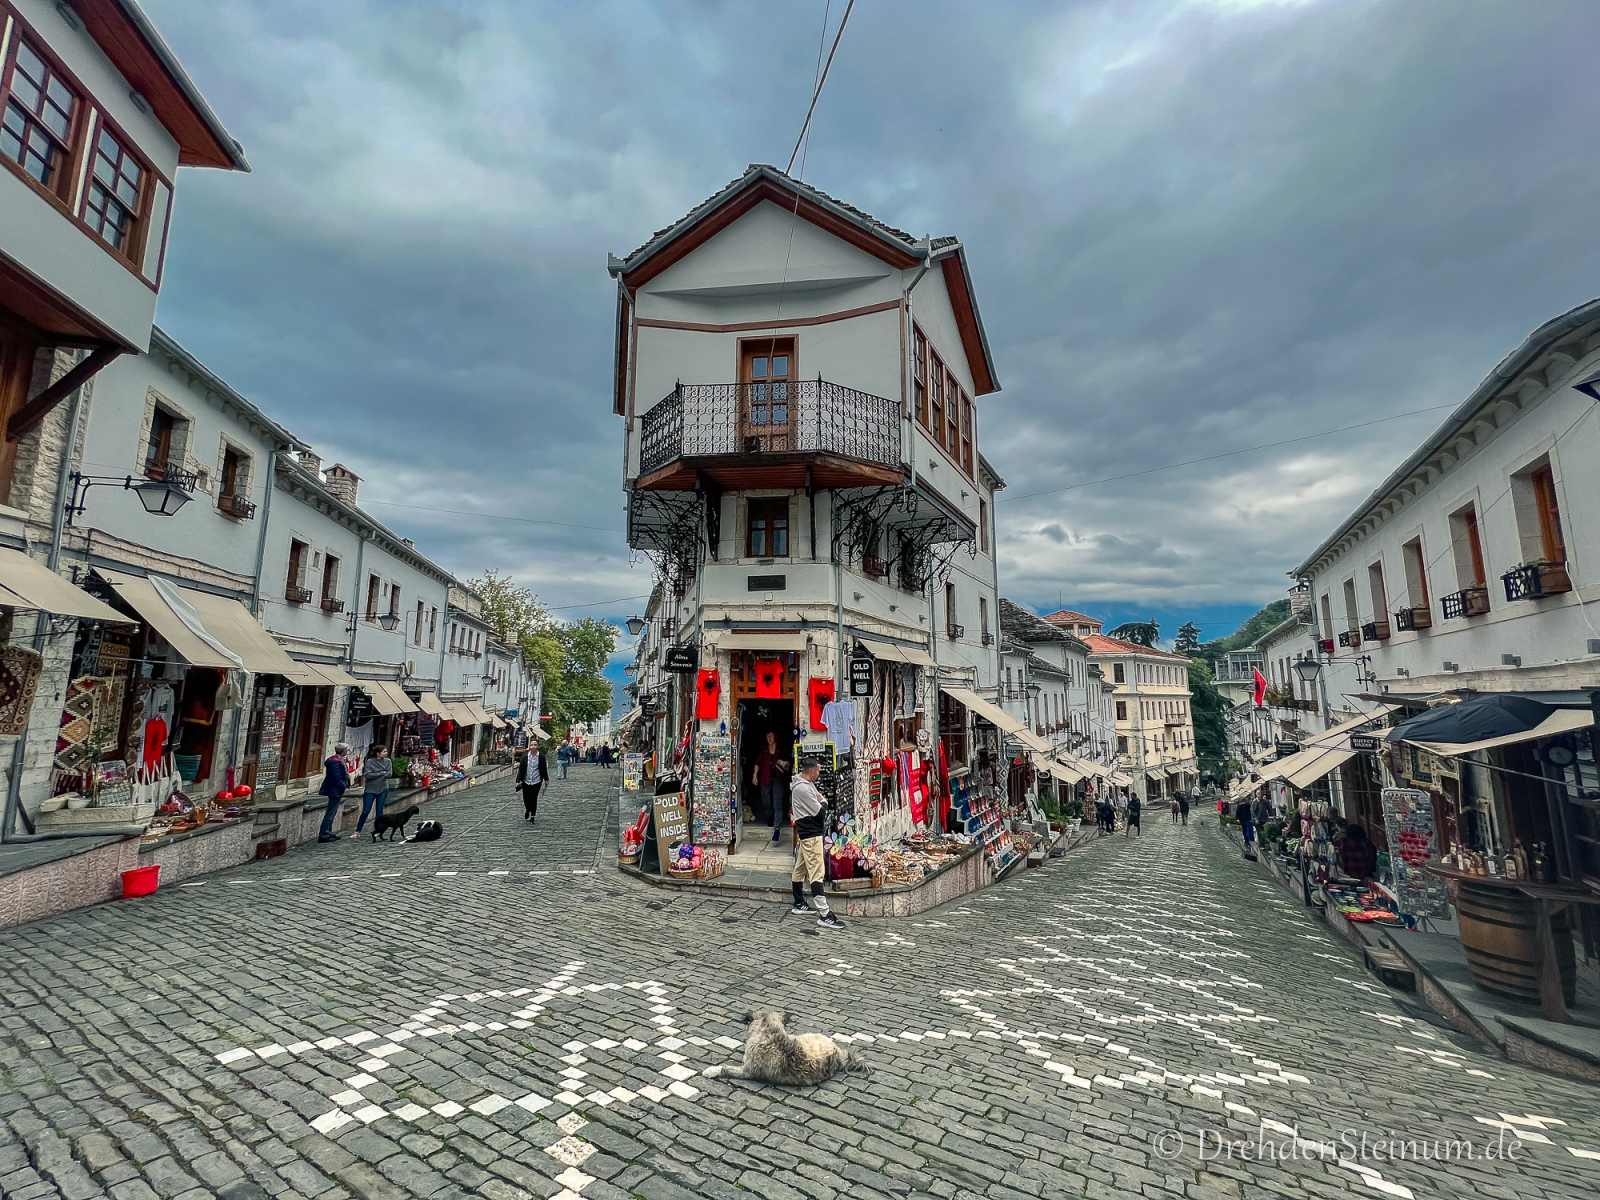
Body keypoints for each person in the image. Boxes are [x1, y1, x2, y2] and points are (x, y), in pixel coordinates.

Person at [788, 757, 844, 930]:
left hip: (808, 834)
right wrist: (822, 802)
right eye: (818, 771)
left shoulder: (806, 785)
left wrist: (822, 801)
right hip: (811, 834)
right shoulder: (804, 789)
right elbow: (821, 811)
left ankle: (798, 902)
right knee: (816, 871)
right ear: (812, 772)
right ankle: (825, 913)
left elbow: (822, 801)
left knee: (801, 867)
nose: (819, 773)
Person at [753, 730, 790, 842]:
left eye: (772, 736)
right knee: (766, 801)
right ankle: (770, 817)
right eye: (768, 736)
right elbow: (757, 762)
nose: (770, 738)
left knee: (777, 803)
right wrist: (755, 775)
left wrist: (784, 763)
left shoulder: (781, 749)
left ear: (775, 737)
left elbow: (788, 762)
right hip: (765, 779)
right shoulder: (763, 749)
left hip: (778, 779)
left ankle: (777, 828)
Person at [353, 745, 390, 838]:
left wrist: (379, 774)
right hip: (370, 789)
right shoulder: (370, 762)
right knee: (366, 810)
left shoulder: (388, 761)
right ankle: (358, 831)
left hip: (383, 788)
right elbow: (368, 775)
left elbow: (389, 774)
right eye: (384, 752)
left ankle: (378, 830)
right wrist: (381, 773)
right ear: (378, 753)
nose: (386, 753)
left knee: (379, 811)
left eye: (386, 751)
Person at [317, 742, 352, 843]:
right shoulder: (336, 763)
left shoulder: (339, 761)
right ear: (343, 751)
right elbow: (336, 778)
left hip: (335, 789)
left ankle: (328, 832)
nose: (347, 751)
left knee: (333, 812)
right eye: (346, 750)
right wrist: (343, 786)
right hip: (334, 790)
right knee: (330, 813)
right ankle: (324, 834)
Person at [520, 739, 549, 822]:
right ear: (530, 746)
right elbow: (521, 769)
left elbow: (543, 769)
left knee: (533, 797)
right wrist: (518, 780)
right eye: (532, 745)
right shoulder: (525, 757)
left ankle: (533, 815)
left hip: (537, 780)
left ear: (538, 746)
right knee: (526, 797)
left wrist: (546, 779)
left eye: (535, 745)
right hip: (526, 779)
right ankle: (527, 809)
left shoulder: (541, 757)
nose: (533, 746)